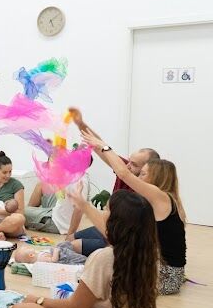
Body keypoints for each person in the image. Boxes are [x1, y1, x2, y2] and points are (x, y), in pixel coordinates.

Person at [9, 190, 158, 308]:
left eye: (106, 209)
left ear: (116, 221)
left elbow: (75, 307)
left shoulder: (105, 257)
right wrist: (82, 204)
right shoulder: (149, 256)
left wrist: (38, 300)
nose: (102, 214)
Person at [74, 125, 186, 294]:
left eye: (143, 174)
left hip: (164, 277)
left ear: (156, 177)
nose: (138, 177)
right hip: (159, 269)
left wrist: (103, 146)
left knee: (104, 259)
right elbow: (114, 235)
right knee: (106, 254)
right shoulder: (156, 201)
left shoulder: (160, 197)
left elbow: (124, 173)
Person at [66, 107, 160, 252]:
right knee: (69, 241)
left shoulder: (148, 191)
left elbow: (111, 158)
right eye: (129, 161)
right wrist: (80, 123)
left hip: (122, 239)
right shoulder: (126, 167)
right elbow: (99, 146)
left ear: (147, 170)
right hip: (108, 227)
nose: (127, 166)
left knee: (74, 246)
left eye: (134, 164)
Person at [13, 243, 86, 265]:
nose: (28, 247)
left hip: (61, 254)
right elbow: (53, 260)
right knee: (78, 259)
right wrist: (56, 251)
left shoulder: (37, 256)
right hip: (63, 257)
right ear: (31, 255)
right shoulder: (41, 259)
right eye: (27, 248)